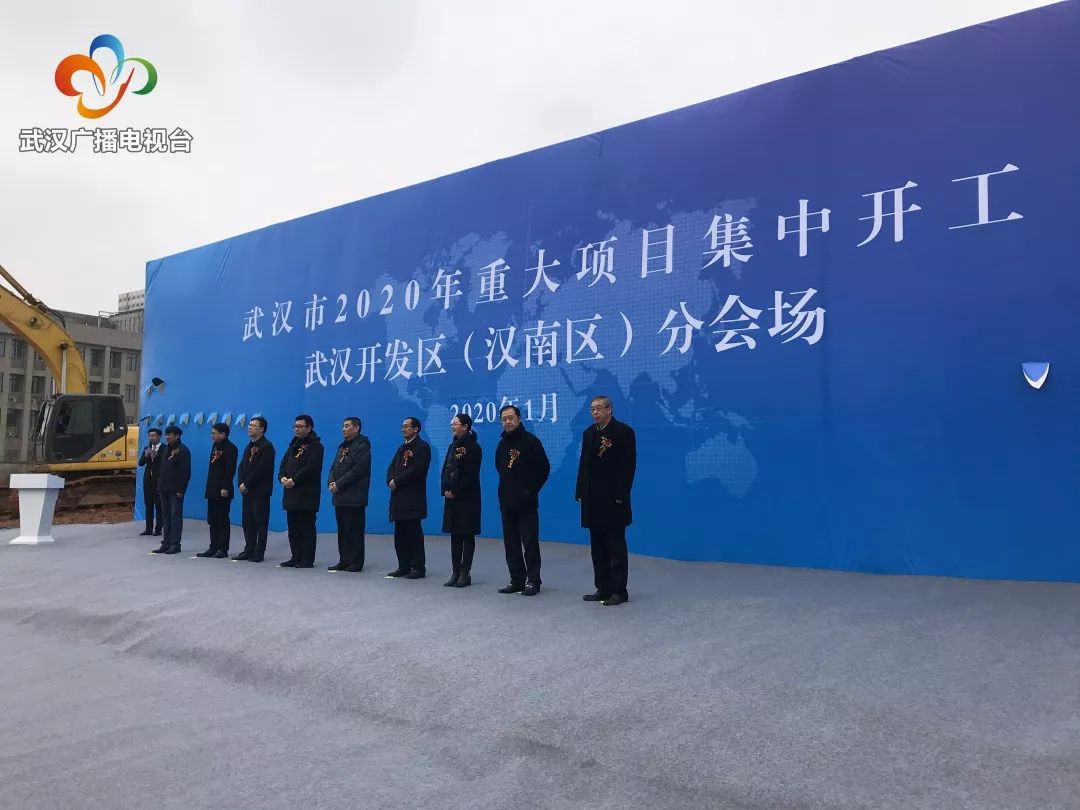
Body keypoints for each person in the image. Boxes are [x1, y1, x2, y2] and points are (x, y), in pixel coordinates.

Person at [576, 395, 637, 606]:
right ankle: (603, 588)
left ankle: (619, 591)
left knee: (616, 548)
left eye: (599, 408)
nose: (595, 412)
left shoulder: (624, 432)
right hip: (592, 500)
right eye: (592, 409)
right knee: (597, 548)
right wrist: (580, 490)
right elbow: (583, 464)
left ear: (609, 409)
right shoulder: (588, 433)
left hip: (613, 500)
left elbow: (628, 466)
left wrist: (621, 495)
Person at [494, 405, 550, 596]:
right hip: (506, 502)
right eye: (504, 419)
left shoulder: (531, 441)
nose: (507, 422)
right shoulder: (502, 445)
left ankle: (533, 580)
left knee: (530, 543)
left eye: (511, 418)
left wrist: (528, 491)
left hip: (526, 503)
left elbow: (543, 469)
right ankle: (516, 579)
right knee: (511, 544)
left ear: (519, 419)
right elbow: (500, 469)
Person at [385, 416, 431, 579]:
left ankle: (418, 567)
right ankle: (403, 566)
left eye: (406, 426)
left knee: (413, 535)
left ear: (416, 429)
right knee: (400, 535)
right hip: (398, 498)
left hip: (412, 497)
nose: (403, 429)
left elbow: (417, 470)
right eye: (402, 426)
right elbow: (392, 466)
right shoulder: (401, 447)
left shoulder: (422, 447)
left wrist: (397, 481)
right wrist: (390, 479)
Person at [440, 412, 482, 587]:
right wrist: (445, 489)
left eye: (456, 423)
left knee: (467, 534)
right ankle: (455, 572)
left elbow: (470, 474)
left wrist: (455, 491)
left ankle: (465, 573)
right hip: (451, 497)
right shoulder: (452, 446)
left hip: (467, 497)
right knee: (455, 535)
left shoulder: (473, 447)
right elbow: (446, 469)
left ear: (465, 427)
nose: (452, 426)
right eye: (452, 423)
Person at [278, 414, 325, 568]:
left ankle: (307, 558)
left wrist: (295, 480)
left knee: (306, 527)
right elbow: (283, 463)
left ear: (309, 428)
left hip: (306, 494)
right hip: (290, 493)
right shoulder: (293, 444)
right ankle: (295, 556)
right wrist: (282, 477)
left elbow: (311, 467)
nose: (296, 429)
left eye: (300, 427)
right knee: (293, 528)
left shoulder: (316, 446)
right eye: (295, 427)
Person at [327, 416, 371, 573]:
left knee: (354, 531)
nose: (343, 429)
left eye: (347, 426)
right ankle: (344, 559)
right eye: (343, 426)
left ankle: (356, 561)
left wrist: (339, 484)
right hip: (340, 496)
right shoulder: (342, 446)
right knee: (343, 530)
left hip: (354, 496)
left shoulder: (362, 446)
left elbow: (359, 469)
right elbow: (333, 467)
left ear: (356, 428)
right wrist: (331, 481)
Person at [234, 416, 275, 563]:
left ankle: (259, 552)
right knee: (247, 521)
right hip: (247, 491)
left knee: (260, 522)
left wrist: (247, 484)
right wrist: (240, 483)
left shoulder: (267, 447)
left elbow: (261, 469)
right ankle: (249, 549)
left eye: (253, 426)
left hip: (259, 491)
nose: (250, 428)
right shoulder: (249, 446)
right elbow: (241, 466)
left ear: (262, 429)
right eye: (249, 425)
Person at [197, 422, 238, 559]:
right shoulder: (215, 446)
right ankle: (213, 546)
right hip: (212, 489)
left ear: (223, 434)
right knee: (212, 519)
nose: (212, 435)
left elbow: (230, 469)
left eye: (214, 433)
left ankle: (223, 548)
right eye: (211, 433)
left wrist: (225, 487)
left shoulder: (231, 448)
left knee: (222, 519)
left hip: (223, 490)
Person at [152, 425, 191, 555]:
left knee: (175, 517)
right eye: (166, 435)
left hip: (175, 490)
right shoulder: (166, 449)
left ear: (177, 436)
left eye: (170, 435)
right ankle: (166, 543)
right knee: (166, 517)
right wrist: (159, 487)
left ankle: (175, 544)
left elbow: (185, 472)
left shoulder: (183, 451)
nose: (167, 437)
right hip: (164, 488)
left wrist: (181, 489)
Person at [138, 427, 163, 536]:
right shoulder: (147, 448)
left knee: (159, 506)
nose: (151, 438)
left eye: (153, 435)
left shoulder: (165, 448)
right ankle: (148, 528)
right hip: (148, 481)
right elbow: (141, 463)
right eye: (150, 436)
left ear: (159, 436)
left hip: (159, 481)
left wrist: (156, 456)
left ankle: (158, 529)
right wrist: (146, 455)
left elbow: (166, 464)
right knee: (148, 506)